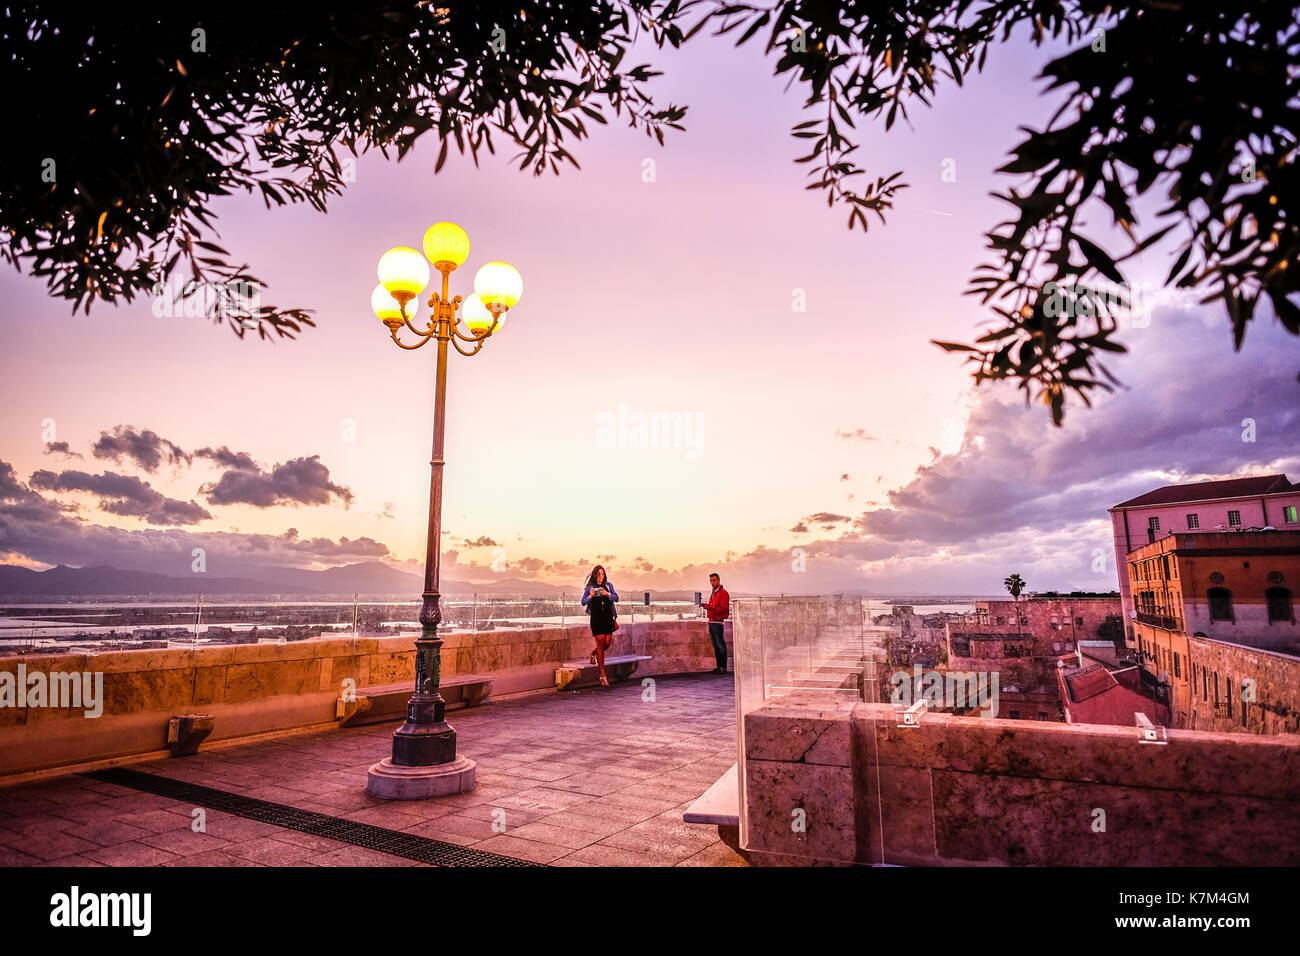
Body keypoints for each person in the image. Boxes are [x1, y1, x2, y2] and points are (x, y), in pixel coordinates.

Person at [581, 565, 619, 687]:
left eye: (602, 574)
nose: (600, 577)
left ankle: (594, 653)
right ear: (594, 575)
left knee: (606, 643)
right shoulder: (589, 587)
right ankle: (603, 676)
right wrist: (591, 595)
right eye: (598, 574)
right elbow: (583, 602)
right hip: (596, 619)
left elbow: (616, 598)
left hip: (608, 617)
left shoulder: (609, 585)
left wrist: (607, 593)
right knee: (600, 643)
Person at [701, 572, 730, 674]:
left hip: (717, 623)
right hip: (712, 621)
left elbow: (723, 610)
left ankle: (723, 667)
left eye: (713, 580)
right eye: (710, 581)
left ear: (718, 580)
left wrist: (709, 607)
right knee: (716, 645)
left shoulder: (723, 593)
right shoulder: (714, 593)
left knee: (720, 645)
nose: (712, 583)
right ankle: (719, 667)